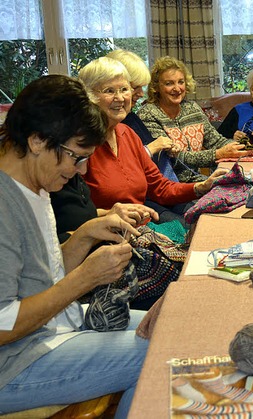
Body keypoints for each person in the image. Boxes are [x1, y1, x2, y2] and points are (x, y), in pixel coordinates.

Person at [0, 75, 147, 417]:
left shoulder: (35, 185)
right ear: (37, 140)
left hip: (52, 330)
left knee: (168, 325)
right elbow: (3, 324)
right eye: (75, 157)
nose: (80, 171)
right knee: (160, 349)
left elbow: (42, 278)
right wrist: (85, 279)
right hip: (15, 362)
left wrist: (84, 235)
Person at [78, 57, 227, 226]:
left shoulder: (128, 134)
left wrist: (202, 186)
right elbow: (71, 215)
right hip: (109, 236)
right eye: (109, 91)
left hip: (140, 228)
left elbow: (160, 188)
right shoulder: (81, 145)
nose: (120, 98)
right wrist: (106, 215)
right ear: (89, 96)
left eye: (125, 89)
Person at [137, 56, 247, 183]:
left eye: (181, 82)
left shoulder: (192, 108)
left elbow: (216, 141)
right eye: (169, 83)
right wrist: (219, 154)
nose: (177, 89)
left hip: (199, 181)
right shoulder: (148, 114)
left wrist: (241, 147)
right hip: (171, 186)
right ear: (156, 87)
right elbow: (174, 158)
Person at [106, 49, 178, 181]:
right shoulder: (108, 127)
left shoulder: (131, 118)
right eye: (135, 87)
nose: (140, 93)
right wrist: (152, 148)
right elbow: (120, 168)